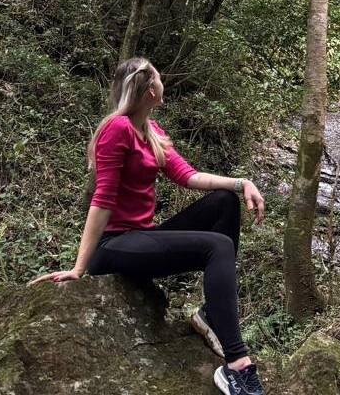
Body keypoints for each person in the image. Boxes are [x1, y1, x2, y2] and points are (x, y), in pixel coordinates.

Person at [29, 56, 266, 395]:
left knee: (224, 201)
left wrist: (241, 183)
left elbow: (187, 176)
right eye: (158, 77)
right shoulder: (117, 129)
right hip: (114, 246)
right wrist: (79, 267)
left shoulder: (151, 132)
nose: (162, 82)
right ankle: (237, 366)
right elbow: (103, 199)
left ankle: (212, 315)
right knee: (219, 246)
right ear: (150, 89)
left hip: (142, 237)